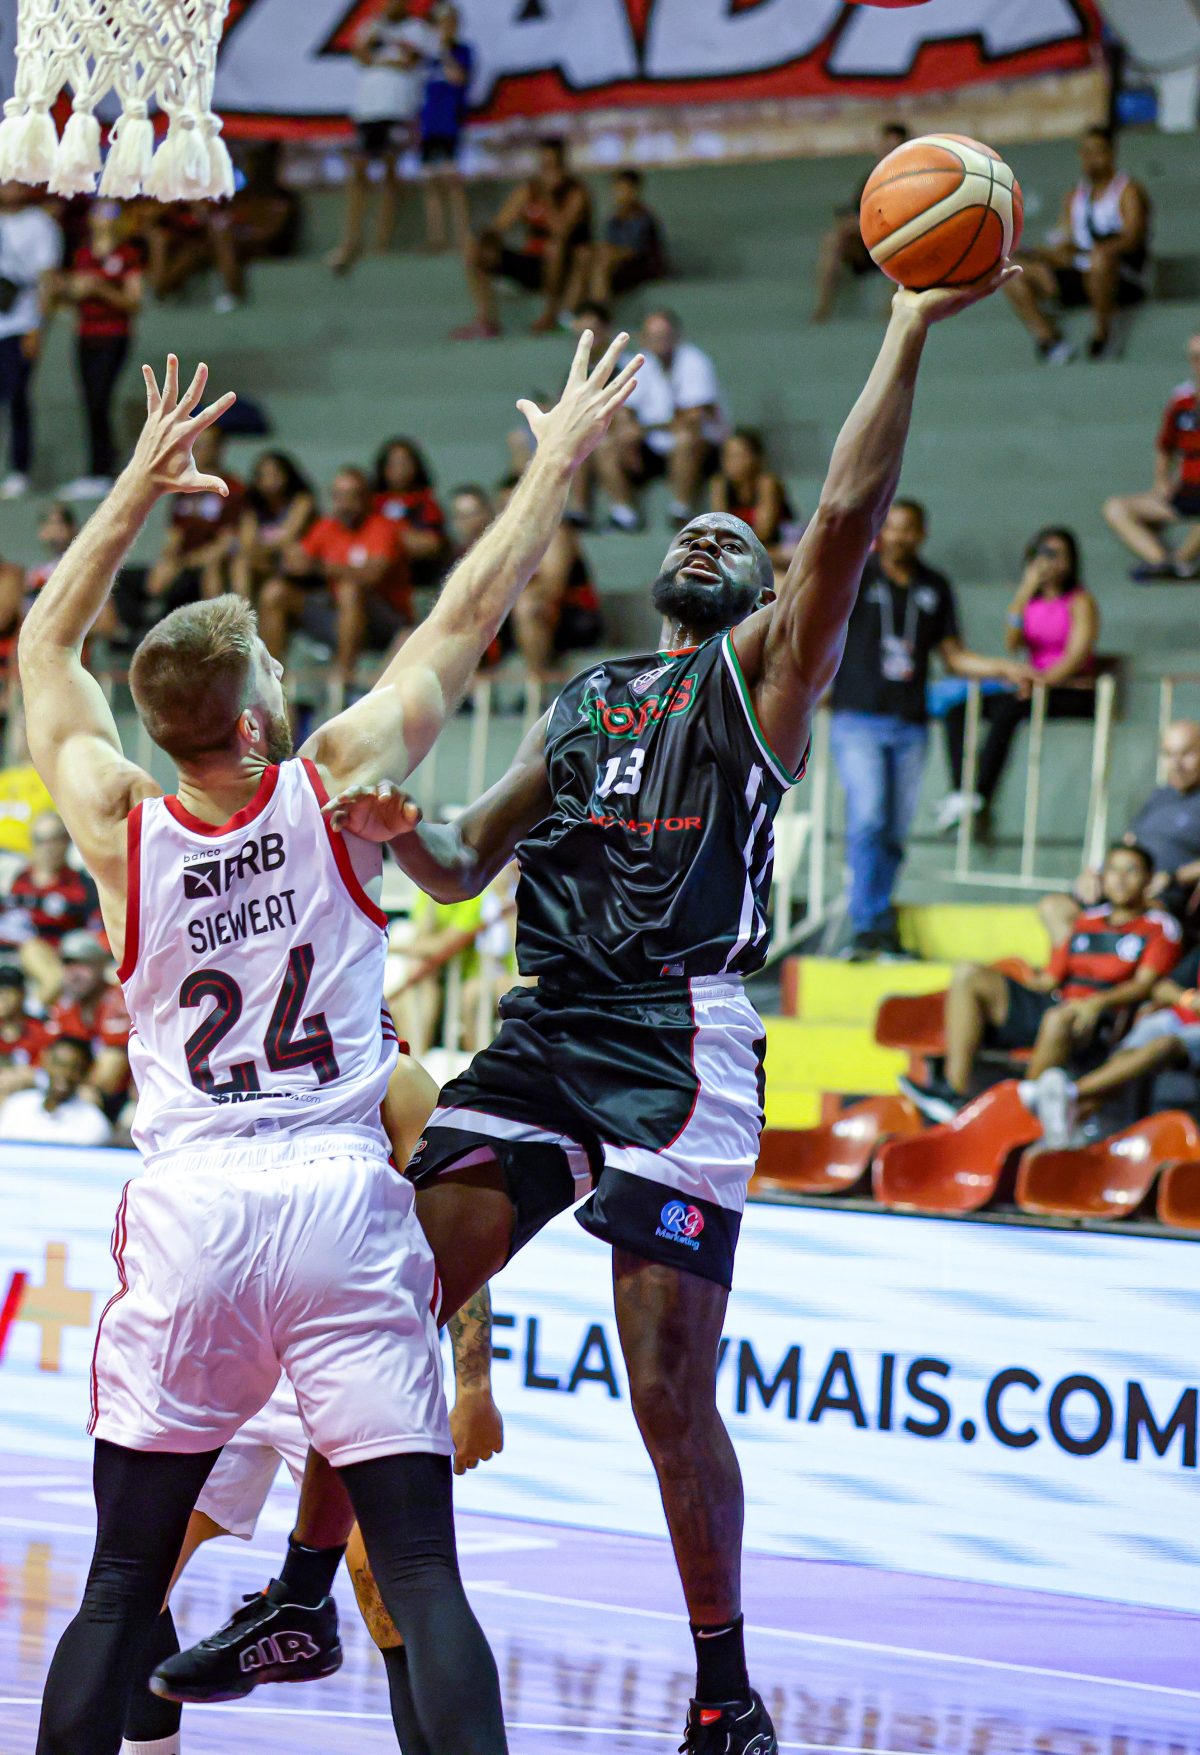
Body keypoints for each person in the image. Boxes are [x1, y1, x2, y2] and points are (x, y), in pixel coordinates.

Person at [181, 264, 1020, 1755]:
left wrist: (902, 327)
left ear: (768, 600)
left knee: (666, 1392)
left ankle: (726, 1695)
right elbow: (461, 865)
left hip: (678, 1043)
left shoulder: (763, 681)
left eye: (739, 539)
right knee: (381, 1299)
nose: (710, 533)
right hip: (549, 1028)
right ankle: (303, 1594)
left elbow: (841, 516)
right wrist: (401, 827)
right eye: (698, 527)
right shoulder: (587, 700)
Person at [24, 333, 643, 1755]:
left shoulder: (119, 826)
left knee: (116, 1589)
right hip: (336, 1199)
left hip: (192, 1209)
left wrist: (134, 488)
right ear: (255, 715)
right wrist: (554, 458)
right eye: (271, 669)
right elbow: (469, 613)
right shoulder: (338, 783)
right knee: (421, 1575)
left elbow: (46, 645)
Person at [118, 1056, 506, 1753]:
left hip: (342, 1353)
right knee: (139, 1577)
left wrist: (473, 1383)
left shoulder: (394, 1079)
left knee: (392, 1598)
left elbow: (447, 1235)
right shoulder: (220, 1065)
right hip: (232, 1349)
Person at [829, 500, 1027, 959]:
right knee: (869, 819)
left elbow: (954, 656)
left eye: (909, 529)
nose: (900, 537)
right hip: (858, 719)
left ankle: (878, 923)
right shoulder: (856, 575)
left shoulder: (934, 585)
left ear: (922, 533)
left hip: (911, 724)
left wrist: (1003, 668)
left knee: (895, 830)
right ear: (881, 531)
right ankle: (866, 924)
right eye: (893, 528)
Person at [902, 843, 1182, 1123]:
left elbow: (1144, 986)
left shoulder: (1160, 927)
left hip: (1101, 1021)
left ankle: (1019, 1112)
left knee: (1058, 1017)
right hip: (1060, 1004)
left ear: (1148, 879)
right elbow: (1049, 980)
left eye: (1131, 871)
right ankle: (953, 1094)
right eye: (1113, 870)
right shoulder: (1087, 921)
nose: (1120, 879)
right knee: (969, 974)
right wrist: (1008, 988)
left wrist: (1097, 1003)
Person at [938, 527, 1098, 832]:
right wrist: (1025, 589)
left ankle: (980, 793)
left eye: (1058, 555)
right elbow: (1012, 643)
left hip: (1069, 687)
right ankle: (963, 791)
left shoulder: (1080, 601)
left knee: (1008, 709)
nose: (1050, 561)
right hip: (1031, 685)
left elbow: (1076, 655)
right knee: (959, 709)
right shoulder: (1031, 602)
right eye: (1044, 554)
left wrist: (1042, 682)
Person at [1040, 718, 1200, 948]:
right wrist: (1097, 872)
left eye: (1186, 754)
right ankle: (1080, 968)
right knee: (1054, 907)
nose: (1176, 764)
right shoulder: (1158, 797)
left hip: (1162, 895)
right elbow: (1128, 844)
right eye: (1168, 754)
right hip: (1122, 884)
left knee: (1131, 917)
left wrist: (1174, 876)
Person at [260, 465, 413, 697]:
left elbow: (372, 575)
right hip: (339, 615)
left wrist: (321, 567)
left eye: (352, 496)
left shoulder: (382, 527)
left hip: (384, 621)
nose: (345, 503)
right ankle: (271, 680)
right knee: (275, 592)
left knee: (349, 589)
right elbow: (297, 561)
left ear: (366, 497)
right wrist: (292, 556)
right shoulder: (327, 527)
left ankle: (343, 680)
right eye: (339, 496)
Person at [1004, 124, 1151, 363]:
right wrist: (1038, 252)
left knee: (1100, 259)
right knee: (1011, 269)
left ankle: (1103, 336)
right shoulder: (1074, 196)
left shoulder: (1128, 191)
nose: (1090, 158)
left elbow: (1133, 238)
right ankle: (1049, 341)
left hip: (1120, 275)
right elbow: (1065, 245)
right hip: (1082, 271)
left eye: (1096, 151)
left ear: (1110, 153)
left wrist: (1101, 251)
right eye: (1085, 152)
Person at [1020, 967, 1200, 1146]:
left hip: (1192, 1031)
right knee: (1124, 1057)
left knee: (1166, 1045)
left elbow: (1146, 985)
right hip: (1173, 1018)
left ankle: (1067, 1094)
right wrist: (1189, 999)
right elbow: (1160, 987)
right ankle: (1070, 1123)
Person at [594, 308, 729, 530]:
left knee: (685, 437)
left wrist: (643, 429)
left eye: (665, 335)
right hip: (653, 447)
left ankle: (681, 509)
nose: (660, 341)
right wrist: (629, 433)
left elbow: (694, 416)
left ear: (677, 335)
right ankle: (624, 513)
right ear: (643, 338)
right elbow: (624, 410)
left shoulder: (695, 361)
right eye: (654, 335)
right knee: (605, 443)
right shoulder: (640, 362)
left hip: (700, 448)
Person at [45, 201, 144, 499]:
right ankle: (98, 468)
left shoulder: (127, 255)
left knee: (100, 398)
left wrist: (98, 288)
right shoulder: (83, 254)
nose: (103, 219)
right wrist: (65, 290)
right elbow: (67, 296)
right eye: (98, 213)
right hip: (85, 335)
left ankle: (103, 468)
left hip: (114, 335)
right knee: (90, 401)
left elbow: (134, 302)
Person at [331, 0, 437, 274]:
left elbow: (411, 61)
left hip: (397, 107)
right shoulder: (371, 26)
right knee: (359, 170)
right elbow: (361, 56)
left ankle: (381, 242)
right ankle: (352, 240)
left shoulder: (416, 29)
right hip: (368, 109)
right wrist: (384, 55)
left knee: (391, 171)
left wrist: (383, 58)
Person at [455, 136, 592, 339]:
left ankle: (550, 314)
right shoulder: (528, 190)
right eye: (544, 165)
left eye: (553, 167)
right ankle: (486, 320)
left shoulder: (575, 191)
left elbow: (561, 230)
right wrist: (483, 239)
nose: (548, 173)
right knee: (475, 248)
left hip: (563, 264)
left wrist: (547, 198)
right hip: (531, 260)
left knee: (554, 248)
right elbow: (500, 225)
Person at [144, 144, 301, 314]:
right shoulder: (236, 196)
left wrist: (234, 231)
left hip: (256, 246)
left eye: (256, 164)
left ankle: (234, 292)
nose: (251, 169)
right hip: (217, 245)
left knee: (220, 236)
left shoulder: (280, 199)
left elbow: (270, 234)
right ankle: (162, 290)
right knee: (191, 250)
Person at [1102, 334, 1200, 581]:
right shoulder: (1182, 400)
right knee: (1116, 508)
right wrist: (1161, 482)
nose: (1198, 363)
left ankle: (1182, 561)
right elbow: (1165, 446)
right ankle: (1161, 562)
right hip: (1186, 492)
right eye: (1194, 357)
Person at [496, 472, 602, 681]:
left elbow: (553, 588)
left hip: (574, 616)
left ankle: (538, 683)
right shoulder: (503, 539)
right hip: (522, 613)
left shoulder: (556, 532)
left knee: (528, 605)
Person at [811, 120, 908, 324]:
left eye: (893, 148)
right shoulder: (870, 178)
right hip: (869, 246)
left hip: (898, 246)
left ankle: (894, 309)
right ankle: (823, 308)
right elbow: (855, 213)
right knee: (833, 240)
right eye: (885, 147)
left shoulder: (914, 179)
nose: (887, 153)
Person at [0, 181, 61, 500]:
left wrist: (38, 327)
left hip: (20, 320)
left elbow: (47, 280)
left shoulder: (39, 223)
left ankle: (20, 468)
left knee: (16, 395)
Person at [0, 811, 99, 1002]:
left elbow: (95, 931)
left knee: (33, 950)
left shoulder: (81, 885)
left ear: (67, 841)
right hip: (8, 955)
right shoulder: (15, 879)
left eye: (55, 840)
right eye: (41, 841)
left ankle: (38, 1012)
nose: (48, 848)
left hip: (55, 958)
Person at [146, 423, 246, 611]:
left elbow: (228, 539)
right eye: (196, 445)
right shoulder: (184, 488)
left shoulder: (233, 488)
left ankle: (217, 622)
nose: (201, 451)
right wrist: (171, 553)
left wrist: (195, 559)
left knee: (211, 569)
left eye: (207, 445)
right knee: (160, 573)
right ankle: (152, 612)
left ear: (219, 448)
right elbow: (176, 532)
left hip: (216, 558)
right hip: (186, 557)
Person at [564, 168, 667, 313]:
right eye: (618, 190)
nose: (621, 194)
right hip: (616, 266)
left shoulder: (644, 218)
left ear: (635, 191)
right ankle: (567, 314)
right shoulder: (614, 219)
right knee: (585, 257)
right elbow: (609, 245)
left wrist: (606, 253)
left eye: (625, 190)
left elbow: (634, 253)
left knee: (602, 261)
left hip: (640, 268)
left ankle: (598, 314)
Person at [417, 1, 473, 255]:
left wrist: (444, 52)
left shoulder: (462, 51)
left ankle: (463, 237)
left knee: (453, 180)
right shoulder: (427, 57)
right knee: (430, 180)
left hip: (451, 123)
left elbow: (459, 78)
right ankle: (436, 238)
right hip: (429, 124)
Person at [231, 450, 316, 604]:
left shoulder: (302, 500)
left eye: (276, 474)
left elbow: (289, 537)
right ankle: (241, 614)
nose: (271, 480)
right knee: (241, 562)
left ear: (288, 475)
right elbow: (247, 542)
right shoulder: (252, 506)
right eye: (265, 475)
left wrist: (260, 547)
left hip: (293, 564)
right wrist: (261, 549)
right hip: (266, 561)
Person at [0, 1033, 112, 1145]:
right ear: (46, 1062)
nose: (65, 1073)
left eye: (75, 1068)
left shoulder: (94, 1123)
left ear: (85, 1072)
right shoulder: (17, 1105)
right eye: (59, 1064)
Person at [709, 428, 798, 568]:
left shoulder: (767, 483)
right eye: (728, 456)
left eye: (739, 455)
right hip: (741, 551)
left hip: (776, 547)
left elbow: (763, 533)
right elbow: (719, 529)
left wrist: (731, 544)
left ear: (755, 457)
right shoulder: (720, 485)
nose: (732, 462)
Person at [373, 436, 449, 586]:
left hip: (418, 579)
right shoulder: (371, 504)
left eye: (405, 462)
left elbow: (432, 544)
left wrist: (388, 536)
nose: (400, 469)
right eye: (394, 463)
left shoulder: (426, 503)